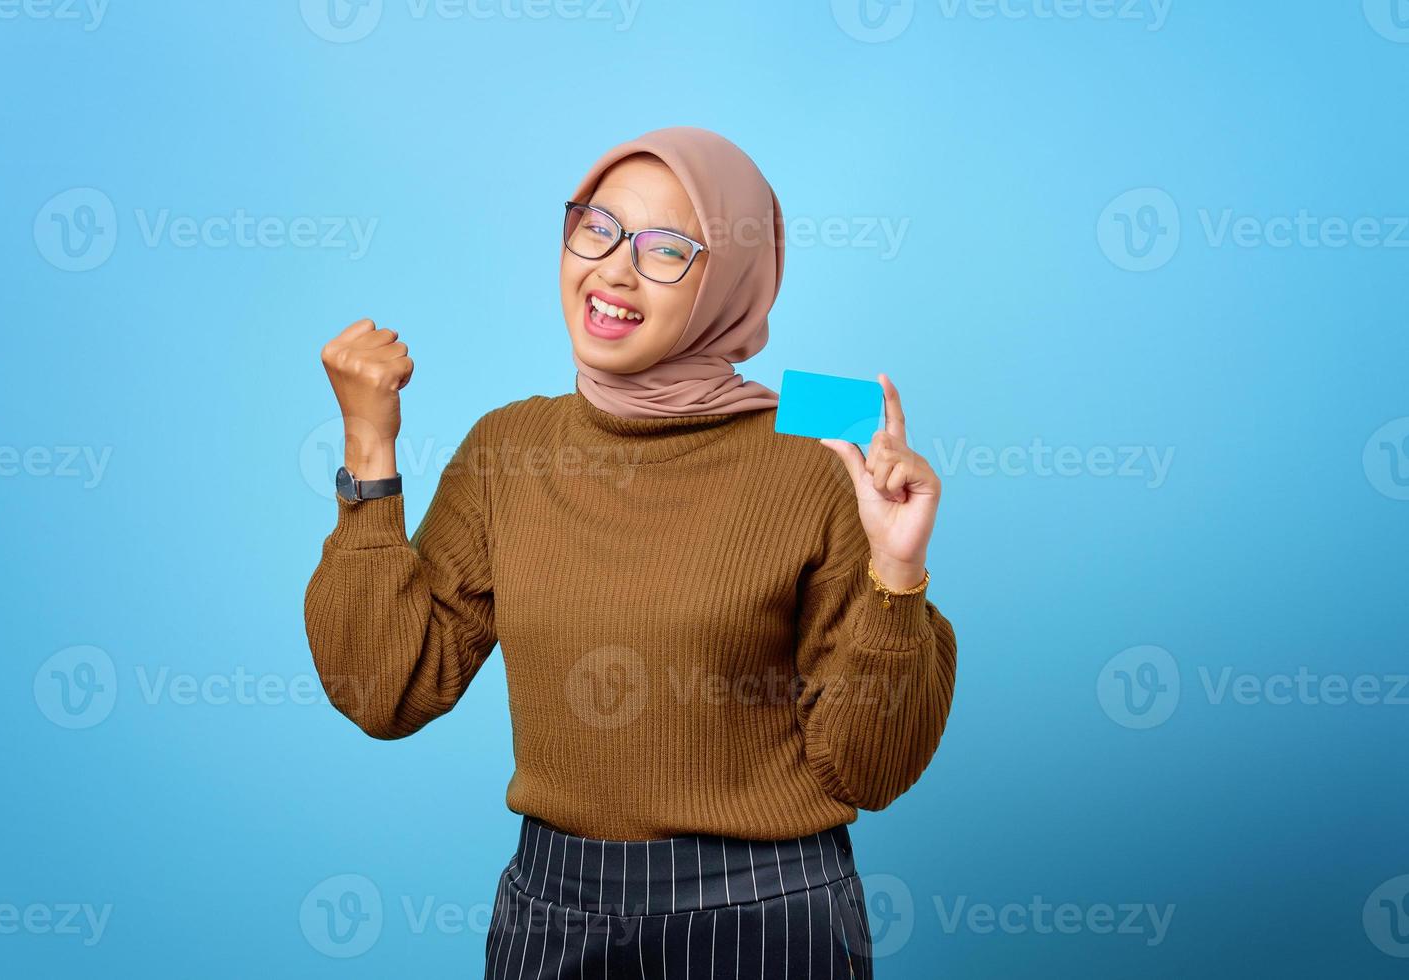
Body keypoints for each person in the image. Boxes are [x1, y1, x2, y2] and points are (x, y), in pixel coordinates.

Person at [304, 125, 958, 978]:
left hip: (764, 913)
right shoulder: (512, 446)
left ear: (728, 281)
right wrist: (368, 447)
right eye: (596, 227)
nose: (613, 269)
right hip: (555, 912)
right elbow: (383, 688)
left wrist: (897, 575)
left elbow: (870, 771)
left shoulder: (824, 447)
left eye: (665, 250)